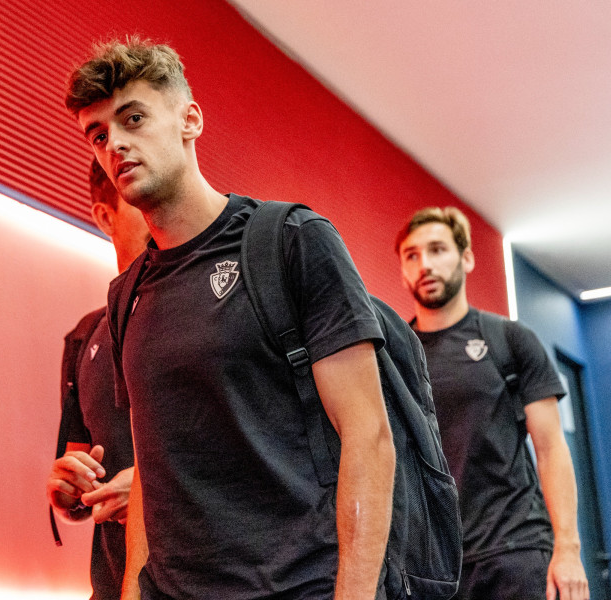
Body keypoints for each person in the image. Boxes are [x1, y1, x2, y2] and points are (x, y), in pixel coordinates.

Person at [63, 37, 396, 600]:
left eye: (134, 118)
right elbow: (152, 470)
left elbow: (369, 436)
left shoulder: (292, 242)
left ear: (189, 119)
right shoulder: (127, 297)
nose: (116, 143)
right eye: (98, 135)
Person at [396, 206, 589, 600]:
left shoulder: (509, 339)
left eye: (437, 250)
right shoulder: (395, 356)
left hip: (515, 551)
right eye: (412, 255)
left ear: (466, 258)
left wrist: (567, 549)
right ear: (402, 270)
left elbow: (551, 449)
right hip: (434, 567)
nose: (425, 265)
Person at [46, 158, 150, 600]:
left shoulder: (213, 314)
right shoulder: (84, 336)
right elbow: (80, 477)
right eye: (137, 202)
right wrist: (67, 493)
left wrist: (152, 493)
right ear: (105, 216)